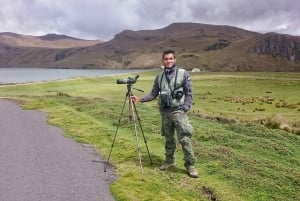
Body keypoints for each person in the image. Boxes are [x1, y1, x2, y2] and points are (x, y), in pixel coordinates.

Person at [131, 49, 199, 178]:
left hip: (178, 110)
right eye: (166, 59)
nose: (168, 61)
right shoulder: (159, 77)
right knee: (168, 138)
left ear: (175, 59)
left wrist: (185, 108)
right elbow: (153, 94)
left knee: (184, 138)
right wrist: (139, 99)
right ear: (163, 60)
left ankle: (190, 165)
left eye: (171, 59)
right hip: (165, 112)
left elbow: (189, 93)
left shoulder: (183, 74)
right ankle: (169, 161)